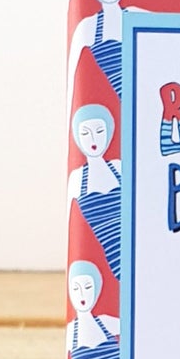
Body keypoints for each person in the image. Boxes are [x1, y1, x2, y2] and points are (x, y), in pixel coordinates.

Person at [67, 0, 149, 99]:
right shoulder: (88, 27)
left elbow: (175, 30)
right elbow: (72, 76)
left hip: (149, 94)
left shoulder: (136, 15)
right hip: (119, 103)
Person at [68, 104, 122, 278]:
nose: (93, 139)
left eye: (99, 131)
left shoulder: (119, 167)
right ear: (76, 136)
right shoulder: (77, 178)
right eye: (85, 133)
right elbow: (72, 227)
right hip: (110, 258)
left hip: (135, 249)